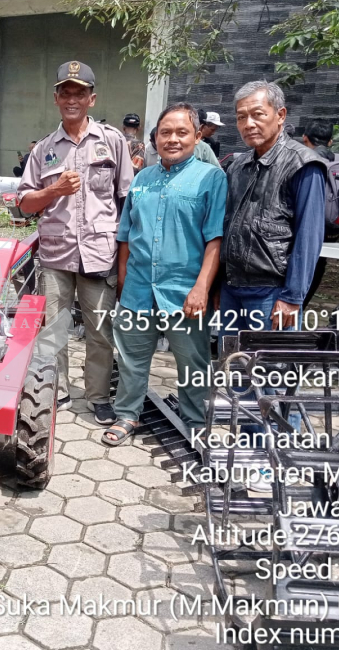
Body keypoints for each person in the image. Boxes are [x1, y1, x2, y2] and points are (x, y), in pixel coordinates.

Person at [102, 103, 226, 445]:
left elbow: (215, 238)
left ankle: (195, 420)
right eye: (165, 132)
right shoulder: (142, 179)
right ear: (155, 137)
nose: (172, 139)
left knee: (193, 362)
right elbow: (126, 234)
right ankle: (127, 414)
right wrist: (123, 280)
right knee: (131, 358)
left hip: (185, 292)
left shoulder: (211, 178)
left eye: (181, 132)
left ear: (197, 136)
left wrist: (202, 287)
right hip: (139, 288)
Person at [18, 60, 133, 425]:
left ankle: (98, 396)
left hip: (100, 253)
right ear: (56, 99)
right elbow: (24, 203)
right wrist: (53, 190)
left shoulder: (112, 141)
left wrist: (125, 257)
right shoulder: (43, 149)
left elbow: (127, 200)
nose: (72, 100)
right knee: (54, 329)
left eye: (79, 94)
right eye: (65, 93)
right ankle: (58, 390)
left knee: (100, 330)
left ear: (91, 99)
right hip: (56, 254)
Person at [218, 81, 326, 468]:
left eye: (257, 114)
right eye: (241, 117)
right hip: (233, 289)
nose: (248, 123)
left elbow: (309, 236)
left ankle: (277, 459)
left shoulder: (303, 164)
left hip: (272, 292)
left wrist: (293, 296)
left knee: (272, 379)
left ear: (280, 116)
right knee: (237, 374)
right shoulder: (238, 164)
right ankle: (251, 450)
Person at [301, 119, 339, 307]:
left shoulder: (301, 160)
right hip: (335, 227)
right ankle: (302, 305)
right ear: (330, 142)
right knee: (319, 264)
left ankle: (293, 306)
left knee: (300, 263)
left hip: (308, 228)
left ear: (304, 138)